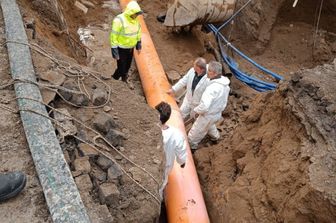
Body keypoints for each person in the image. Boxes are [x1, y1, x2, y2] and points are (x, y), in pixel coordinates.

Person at [188, 61, 230, 151]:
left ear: (214, 73)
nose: (207, 72)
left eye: (209, 71)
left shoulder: (212, 89)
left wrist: (196, 111)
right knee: (210, 126)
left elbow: (204, 106)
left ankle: (192, 149)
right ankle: (216, 137)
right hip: (217, 114)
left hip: (207, 115)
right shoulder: (225, 85)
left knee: (193, 136)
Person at [155, 101, 187, 199]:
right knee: (161, 183)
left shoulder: (149, 129)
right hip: (165, 164)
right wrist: (182, 162)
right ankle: (158, 199)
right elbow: (181, 151)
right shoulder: (176, 134)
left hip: (148, 164)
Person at [110, 1, 143, 82]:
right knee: (121, 68)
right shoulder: (119, 20)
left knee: (127, 66)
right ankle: (114, 80)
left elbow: (138, 32)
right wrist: (114, 51)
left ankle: (124, 80)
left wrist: (138, 44)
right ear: (130, 12)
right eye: (135, 13)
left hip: (130, 49)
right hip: (121, 49)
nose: (136, 15)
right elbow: (113, 36)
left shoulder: (135, 21)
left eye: (137, 14)